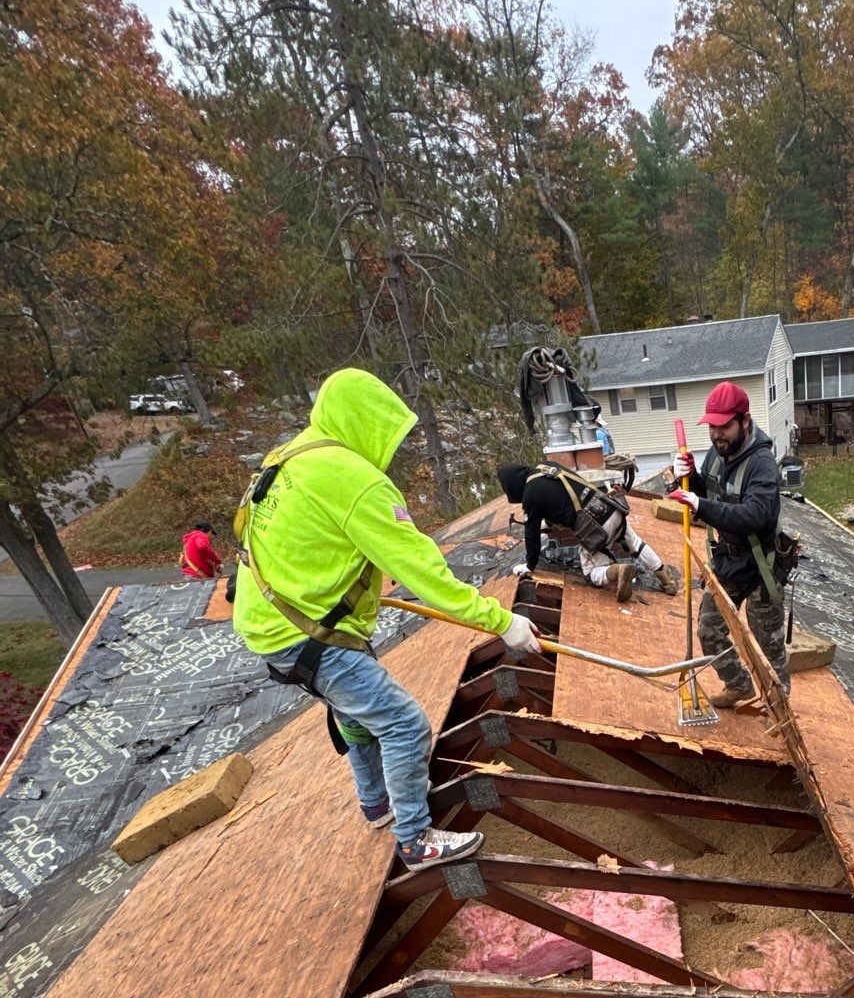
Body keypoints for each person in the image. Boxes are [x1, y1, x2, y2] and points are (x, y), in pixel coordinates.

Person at [232, 367, 540, 873]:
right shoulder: (354, 481)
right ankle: (415, 840)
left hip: (271, 623)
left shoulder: (289, 457)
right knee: (403, 725)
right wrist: (500, 622)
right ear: (367, 425)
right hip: (308, 633)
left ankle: (376, 802)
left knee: (356, 715)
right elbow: (423, 570)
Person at [667, 381, 790, 707]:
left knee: (767, 645)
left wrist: (700, 505)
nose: (717, 434)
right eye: (712, 427)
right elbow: (709, 493)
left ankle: (779, 705)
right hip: (729, 560)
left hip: (762, 566)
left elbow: (754, 515)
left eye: (724, 426)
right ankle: (739, 686)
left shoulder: (762, 463)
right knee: (709, 629)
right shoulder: (716, 454)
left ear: (744, 421)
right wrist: (690, 477)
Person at [496, 461, 681, 600]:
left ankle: (617, 571)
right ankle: (667, 580)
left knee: (590, 573)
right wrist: (548, 523)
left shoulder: (530, 495)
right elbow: (561, 499)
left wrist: (530, 565)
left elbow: (531, 535)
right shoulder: (547, 467)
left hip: (596, 527)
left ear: (512, 486)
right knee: (636, 544)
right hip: (611, 508)